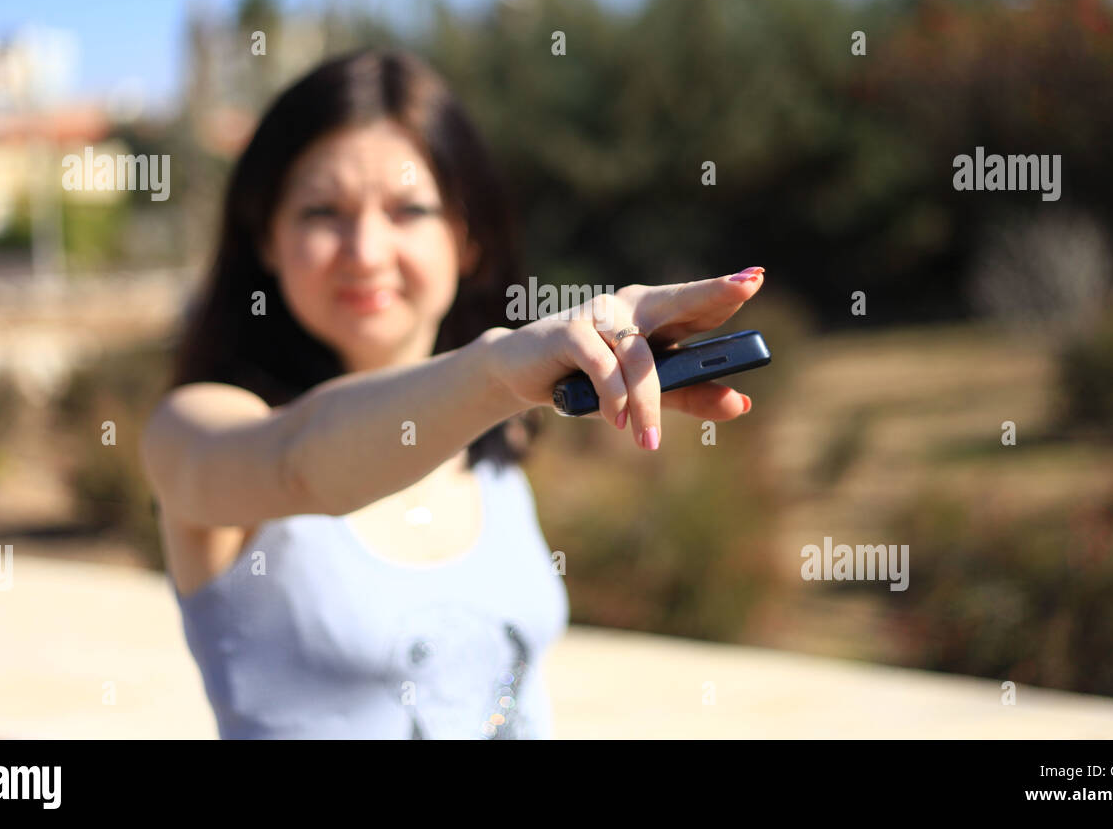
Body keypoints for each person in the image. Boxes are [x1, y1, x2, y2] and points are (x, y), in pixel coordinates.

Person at [139, 47, 765, 739]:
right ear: (265, 236)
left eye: (409, 209)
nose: (366, 249)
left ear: (466, 237)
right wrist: (495, 371)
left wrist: (498, 388)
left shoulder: (501, 434)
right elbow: (300, 463)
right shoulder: (195, 429)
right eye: (323, 212)